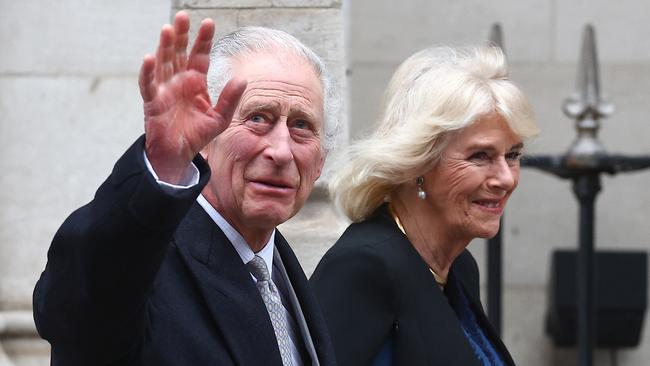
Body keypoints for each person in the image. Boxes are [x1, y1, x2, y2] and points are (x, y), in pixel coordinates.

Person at [33, 11, 338, 366]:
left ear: (320, 162)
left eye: (302, 125)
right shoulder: (148, 263)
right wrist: (160, 170)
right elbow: (77, 310)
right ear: (204, 136)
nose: (281, 150)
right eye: (258, 118)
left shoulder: (277, 266)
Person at [310, 46, 539, 366]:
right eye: (480, 156)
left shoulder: (459, 266)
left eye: (512, 155)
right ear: (417, 162)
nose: (505, 178)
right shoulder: (362, 267)